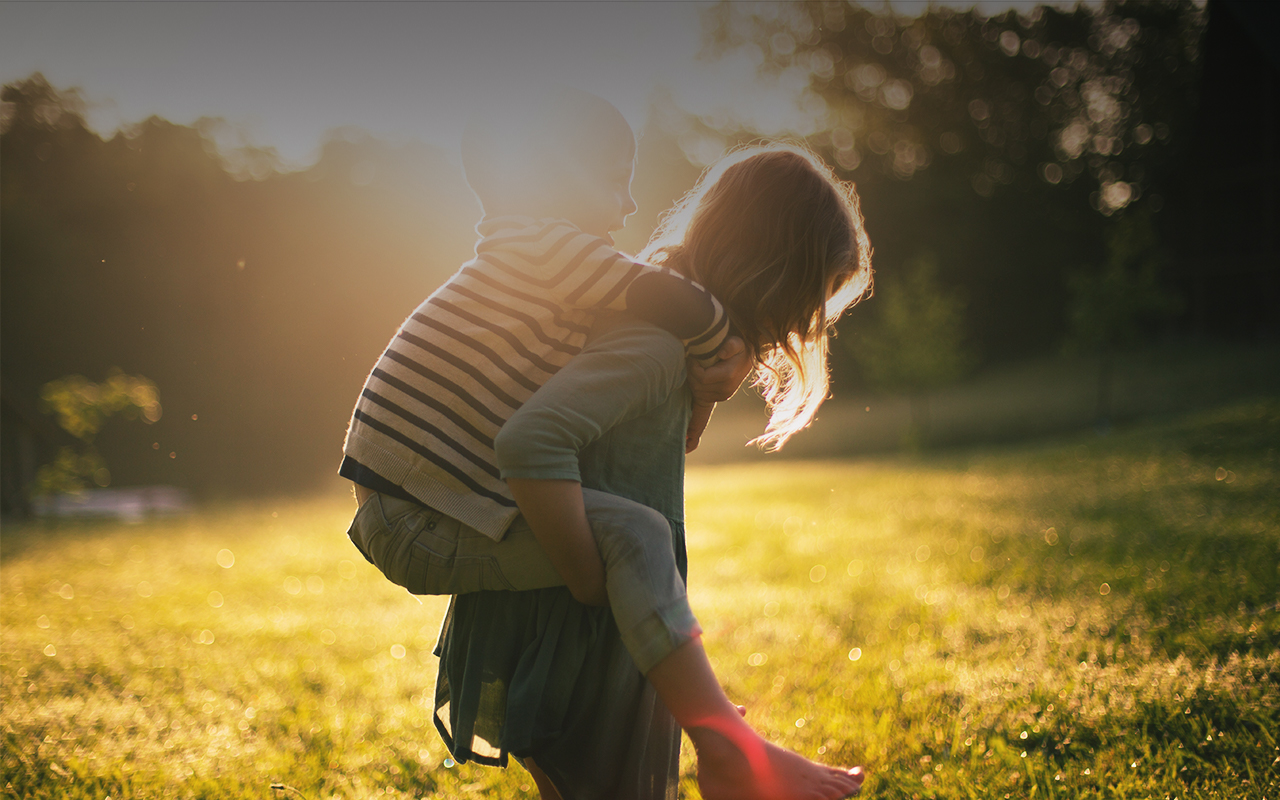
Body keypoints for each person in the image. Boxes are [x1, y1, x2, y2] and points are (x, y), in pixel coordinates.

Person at [434, 142, 873, 800]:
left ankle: (728, 748)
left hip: (597, 606)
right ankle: (732, 753)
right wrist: (590, 581)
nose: (801, 325)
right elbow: (532, 439)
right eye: (809, 301)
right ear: (774, 277)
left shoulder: (668, 341)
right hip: (578, 613)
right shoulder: (655, 347)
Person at [341, 86, 748, 680]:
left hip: (410, 508)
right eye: (615, 180)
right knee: (636, 537)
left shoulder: (529, 259)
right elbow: (673, 300)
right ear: (554, 181)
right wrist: (726, 353)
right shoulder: (546, 248)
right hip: (415, 518)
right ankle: (693, 704)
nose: (631, 203)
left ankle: (670, 691)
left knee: (625, 537)